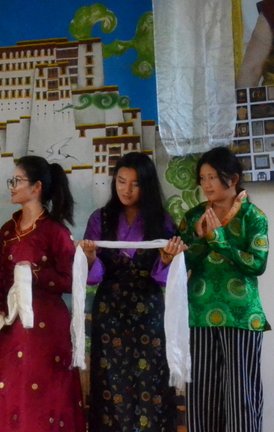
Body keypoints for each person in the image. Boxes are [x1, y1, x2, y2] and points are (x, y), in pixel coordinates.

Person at [77, 152, 178, 432]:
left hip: (149, 311)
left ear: (146, 186)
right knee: (112, 383)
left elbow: (163, 276)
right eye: (121, 181)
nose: (126, 189)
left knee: (152, 381)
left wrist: (168, 260)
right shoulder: (101, 219)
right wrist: (87, 258)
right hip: (111, 311)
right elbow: (94, 276)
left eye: (135, 184)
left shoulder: (162, 221)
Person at [171, 146, 268, 432]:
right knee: (201, 397)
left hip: (241, 315)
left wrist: (220, 240)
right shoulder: (192, 217)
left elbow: (257, 264)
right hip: (199, 314)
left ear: (233, 179)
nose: (206, 184)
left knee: (241, 397)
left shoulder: (254, 216)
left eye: (213, 177)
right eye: (202, 178)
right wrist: (198, 241)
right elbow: (183, 262)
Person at [0, 156, 84, 432]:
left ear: (36, 187)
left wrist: (35, 275)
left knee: (44, 401)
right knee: (9, 394)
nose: (11, 186)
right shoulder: (7, 230)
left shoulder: (56, 232)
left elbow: (69, 281)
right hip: (12, 327)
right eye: (12, 181)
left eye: (17, 181)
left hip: (46, 330)